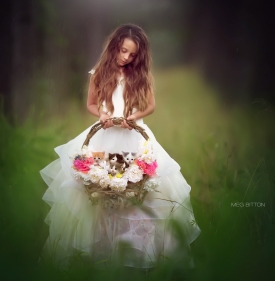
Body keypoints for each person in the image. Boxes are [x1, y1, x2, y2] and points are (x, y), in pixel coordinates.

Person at [40, 23, 201, 269]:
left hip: (133, 136)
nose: (126, 57)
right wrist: (103, 115)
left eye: (132, 54)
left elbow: (150, 106)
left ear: (139, 56)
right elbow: (92, 104)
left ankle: (135, 249)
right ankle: (101, 248)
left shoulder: (140, 76)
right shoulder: (99, 73)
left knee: (139, 187)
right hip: (106, 136)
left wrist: (135, 116)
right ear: (114, 46)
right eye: (123, 50)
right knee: (101, 188)